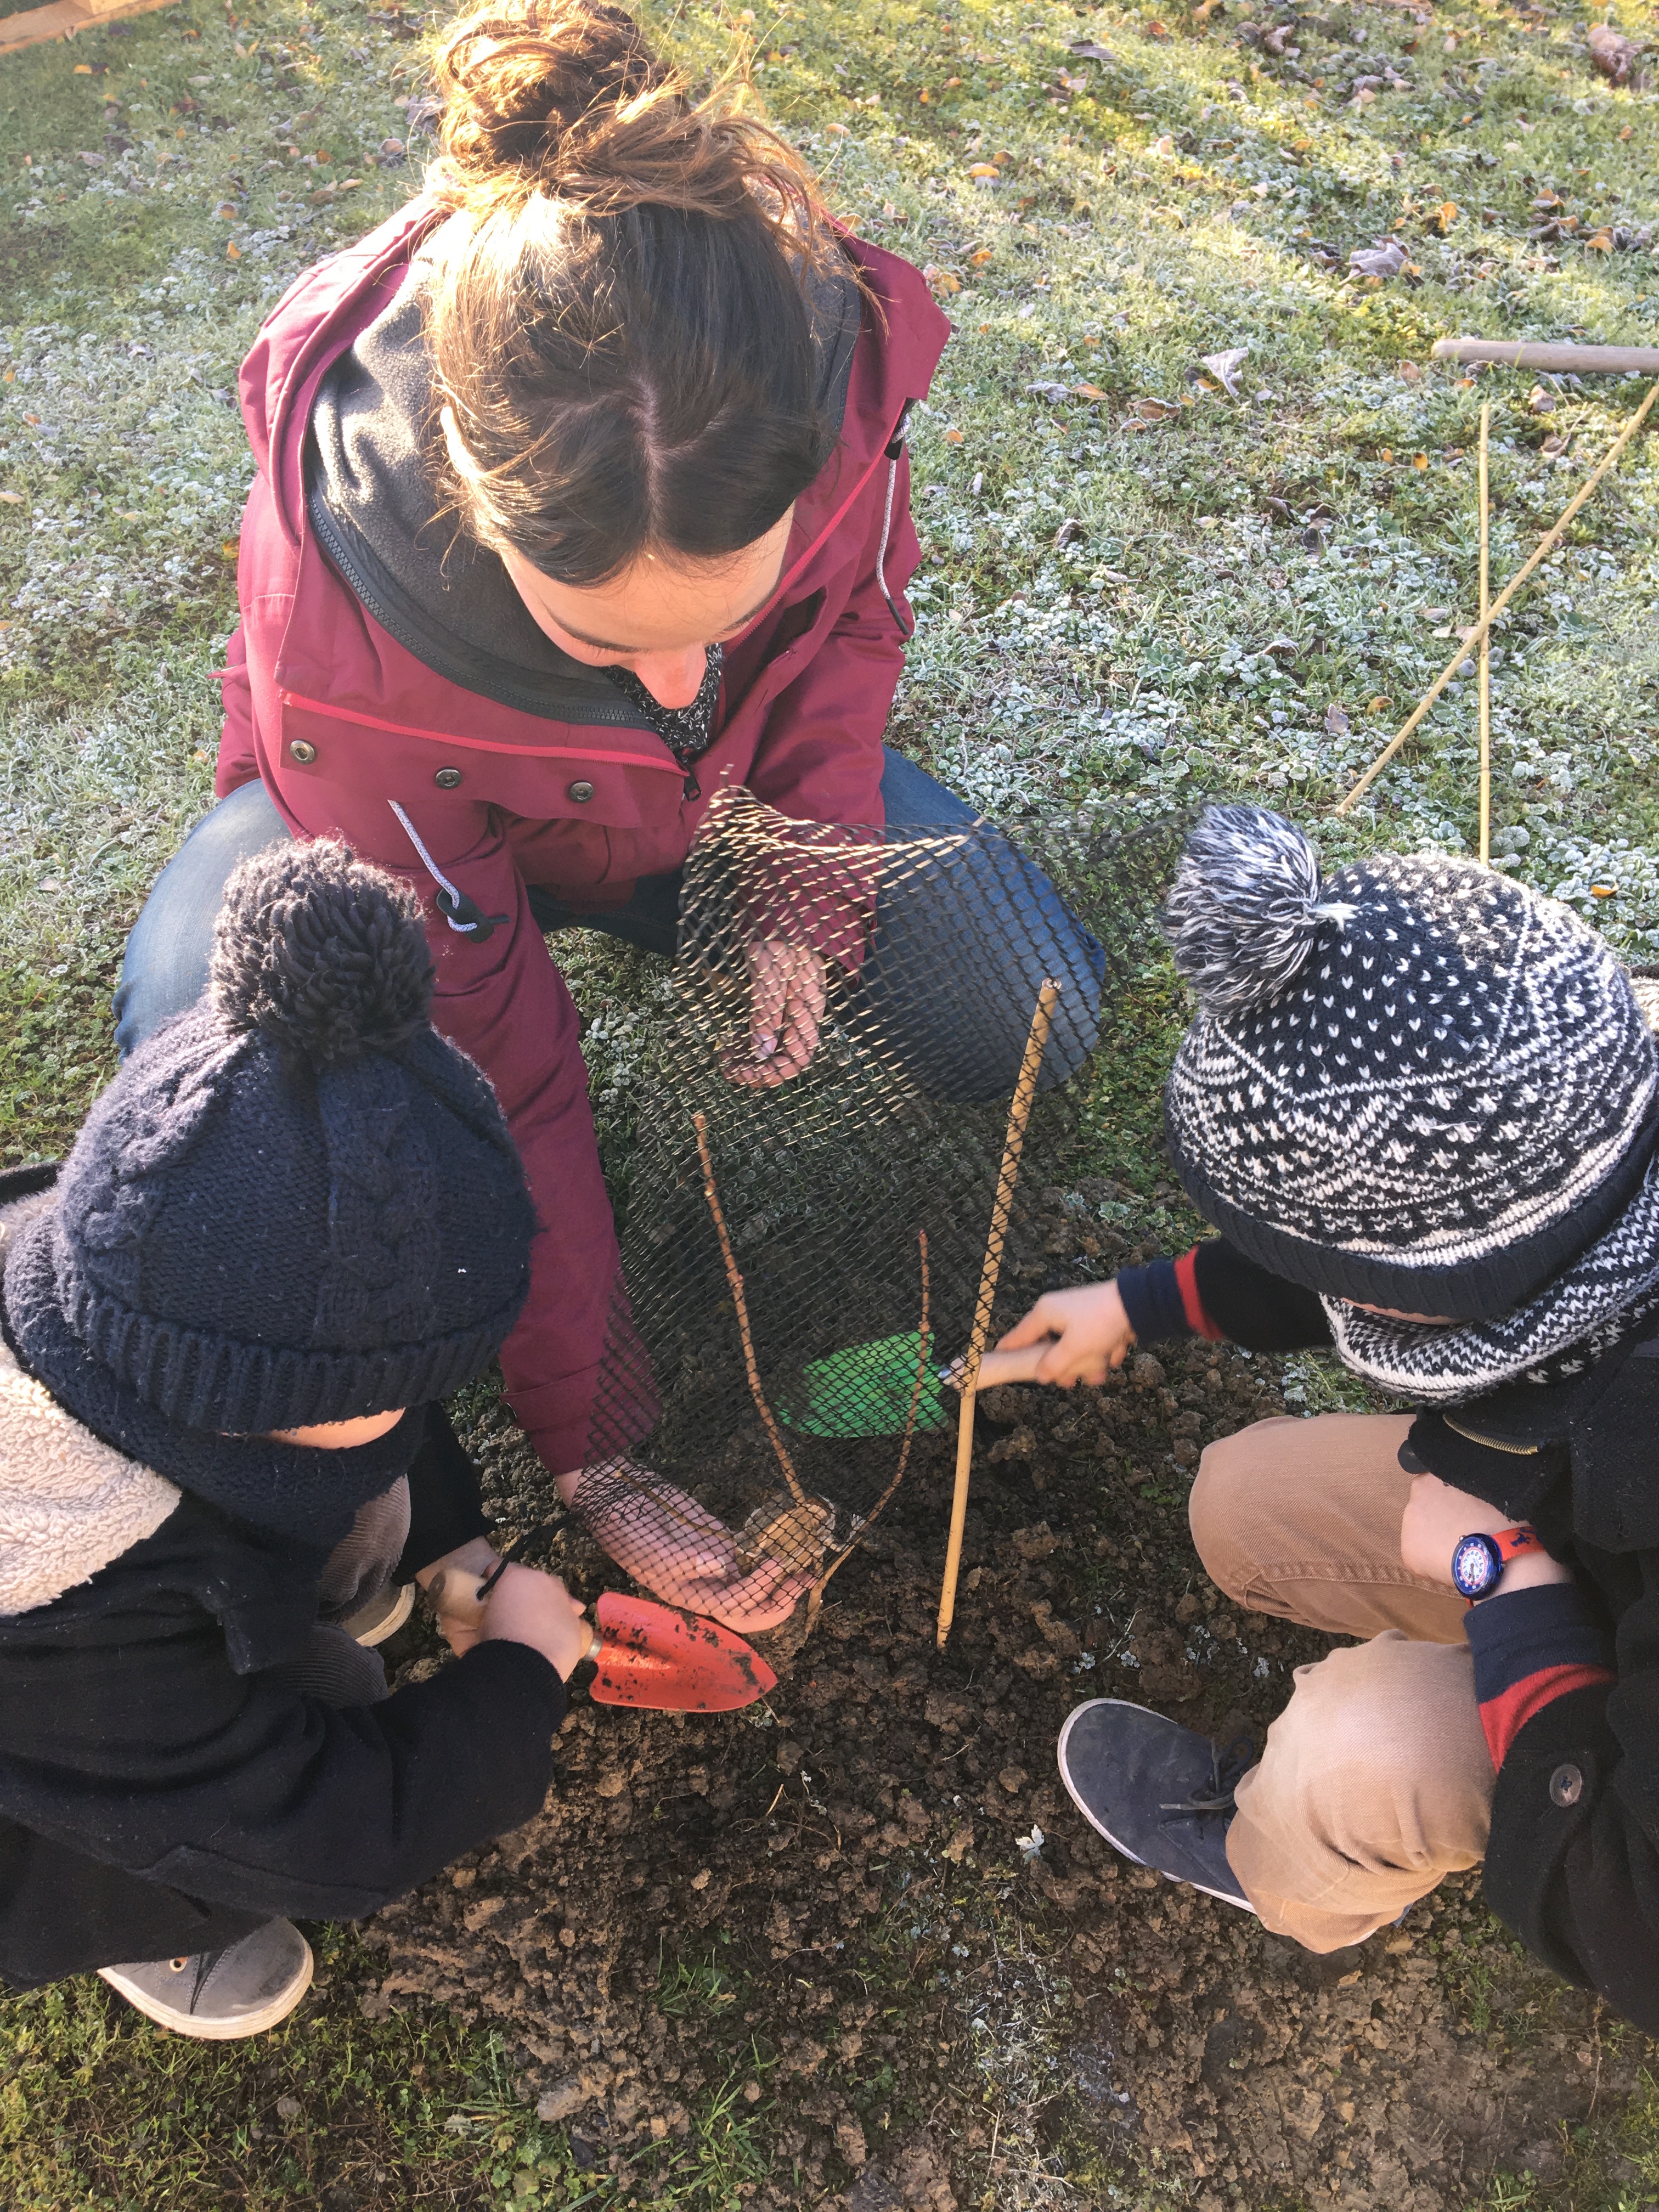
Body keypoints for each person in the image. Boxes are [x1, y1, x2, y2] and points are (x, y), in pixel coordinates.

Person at [111, 0, 1104, 1631]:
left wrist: (804, 887)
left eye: (723, 608)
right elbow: (501, 1059)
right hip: (407, 821)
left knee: (1026, 1013)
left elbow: (850, 633)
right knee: (213, 1036)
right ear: (475, 506)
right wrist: (601, 1443)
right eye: (606, 635)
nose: (679, 673)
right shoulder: (350, 655)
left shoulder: (815, 388)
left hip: (703, 822)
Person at [992, 804, 1659, 2038]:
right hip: (1591, 1518)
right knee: (1246, 1503)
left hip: (1626, 1804)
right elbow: (1378, 1243)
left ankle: (1283, 1869)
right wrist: (1141, 1302)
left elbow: (1631, 1908)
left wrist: (1499, 1574)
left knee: (1349, 1761)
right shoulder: (1594, 1105)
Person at [0, 843, 591, 2038]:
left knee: (338, 1604)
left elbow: (358, 1402)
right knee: (188, 1844)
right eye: (397, 1389)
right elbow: (332, 1826)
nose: (423, 1405)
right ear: (233, 1401)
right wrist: (520, 1681)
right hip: (39, 1799)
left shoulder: (130, 1267)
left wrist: (455, 1547)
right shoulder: (74, 1619)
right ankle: (156, 1924)